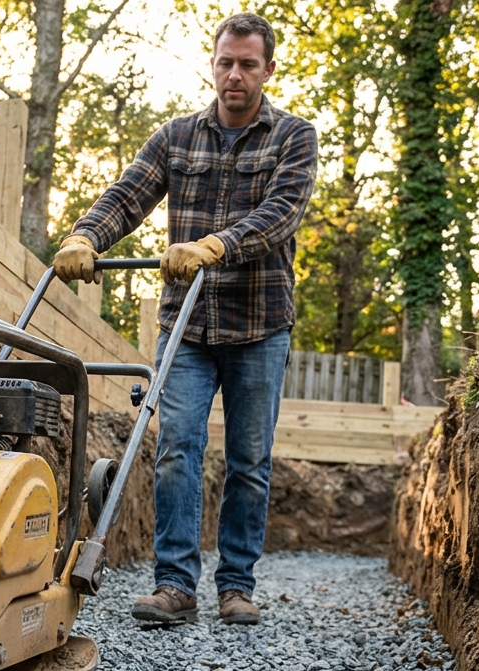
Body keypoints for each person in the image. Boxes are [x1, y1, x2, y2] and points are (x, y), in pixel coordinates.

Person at [53, 12, 317, 625]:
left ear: (267, 70)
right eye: (226, 61)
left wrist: (216, 245)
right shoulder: (176, 138)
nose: (234, 74)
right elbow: (128, 193)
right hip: (188, 330)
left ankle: (236, 587)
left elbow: (282, 212)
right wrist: (85, 235)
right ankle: (174, 585)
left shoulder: (294, 138)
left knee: (250, 461)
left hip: (260, 327)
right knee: (177, 451)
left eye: (248, 64)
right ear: (213, 63)